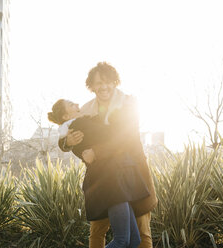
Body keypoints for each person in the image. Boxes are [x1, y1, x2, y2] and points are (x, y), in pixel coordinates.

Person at [59, 62, 157, 248]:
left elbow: (126, 137)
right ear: (92, 86)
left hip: (133, 174)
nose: (103, 86)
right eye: (98, 83)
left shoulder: (128, 103)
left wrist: (97, 151)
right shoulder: (86, 109)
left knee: (142, 233)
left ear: (114, 82)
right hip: (102, 178)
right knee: (97, 232)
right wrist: (68, 143)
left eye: (107, 82)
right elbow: (73, 135)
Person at [48, 98, 150, 248]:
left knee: (134, 241)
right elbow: (112, 135)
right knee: (122, 240)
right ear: (65, 116)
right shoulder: (79, 125)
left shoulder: (77, 126)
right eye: (71, 105)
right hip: (111, 182)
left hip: (118, 181)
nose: (77, 104)